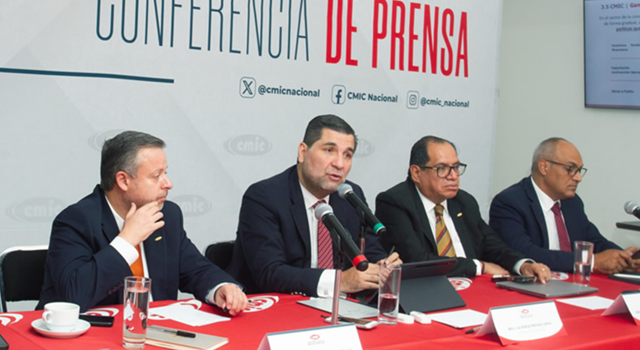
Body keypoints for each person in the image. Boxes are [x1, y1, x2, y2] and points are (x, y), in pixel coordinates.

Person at [38, 131, 247, 313]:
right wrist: (127, 240)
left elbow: (195, 269)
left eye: (166, 173)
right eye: (156, 176)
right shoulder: (76, 221)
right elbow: (74, 296)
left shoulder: (167, 215)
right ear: (123, 180)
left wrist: (221, 287)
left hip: (159, 332)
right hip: (95, 335)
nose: (168, 184)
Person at [227, 115, 400, 297]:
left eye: (347, 155)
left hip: (339, 306)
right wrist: (338, 281)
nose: (339, 164)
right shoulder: (264, 197)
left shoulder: (350, 195)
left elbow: (370, 249)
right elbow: (270, 273)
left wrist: (381, 265)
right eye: (329, 150)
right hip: (277, 306)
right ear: (302, 152)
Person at [375, 136, 550, 281]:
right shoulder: (394, 202)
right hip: (428, 291)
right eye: (442, 168)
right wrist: (478, 266)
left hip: (474, 287)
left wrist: (523, 265)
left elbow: (492, 245)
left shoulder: (464, 201)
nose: (453, 176)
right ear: (416, 173)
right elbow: (416, 261)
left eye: (456, 167)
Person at [489, 137, 639, 274]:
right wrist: (591, 261)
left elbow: (594, 241)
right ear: (544, 167)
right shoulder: (509, 202)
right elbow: (523, 253)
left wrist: (624, 257)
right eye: (570, 169)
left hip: (572, 282)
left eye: (579, 171)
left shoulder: (572, 202)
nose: (578, 178)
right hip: (535, 283)